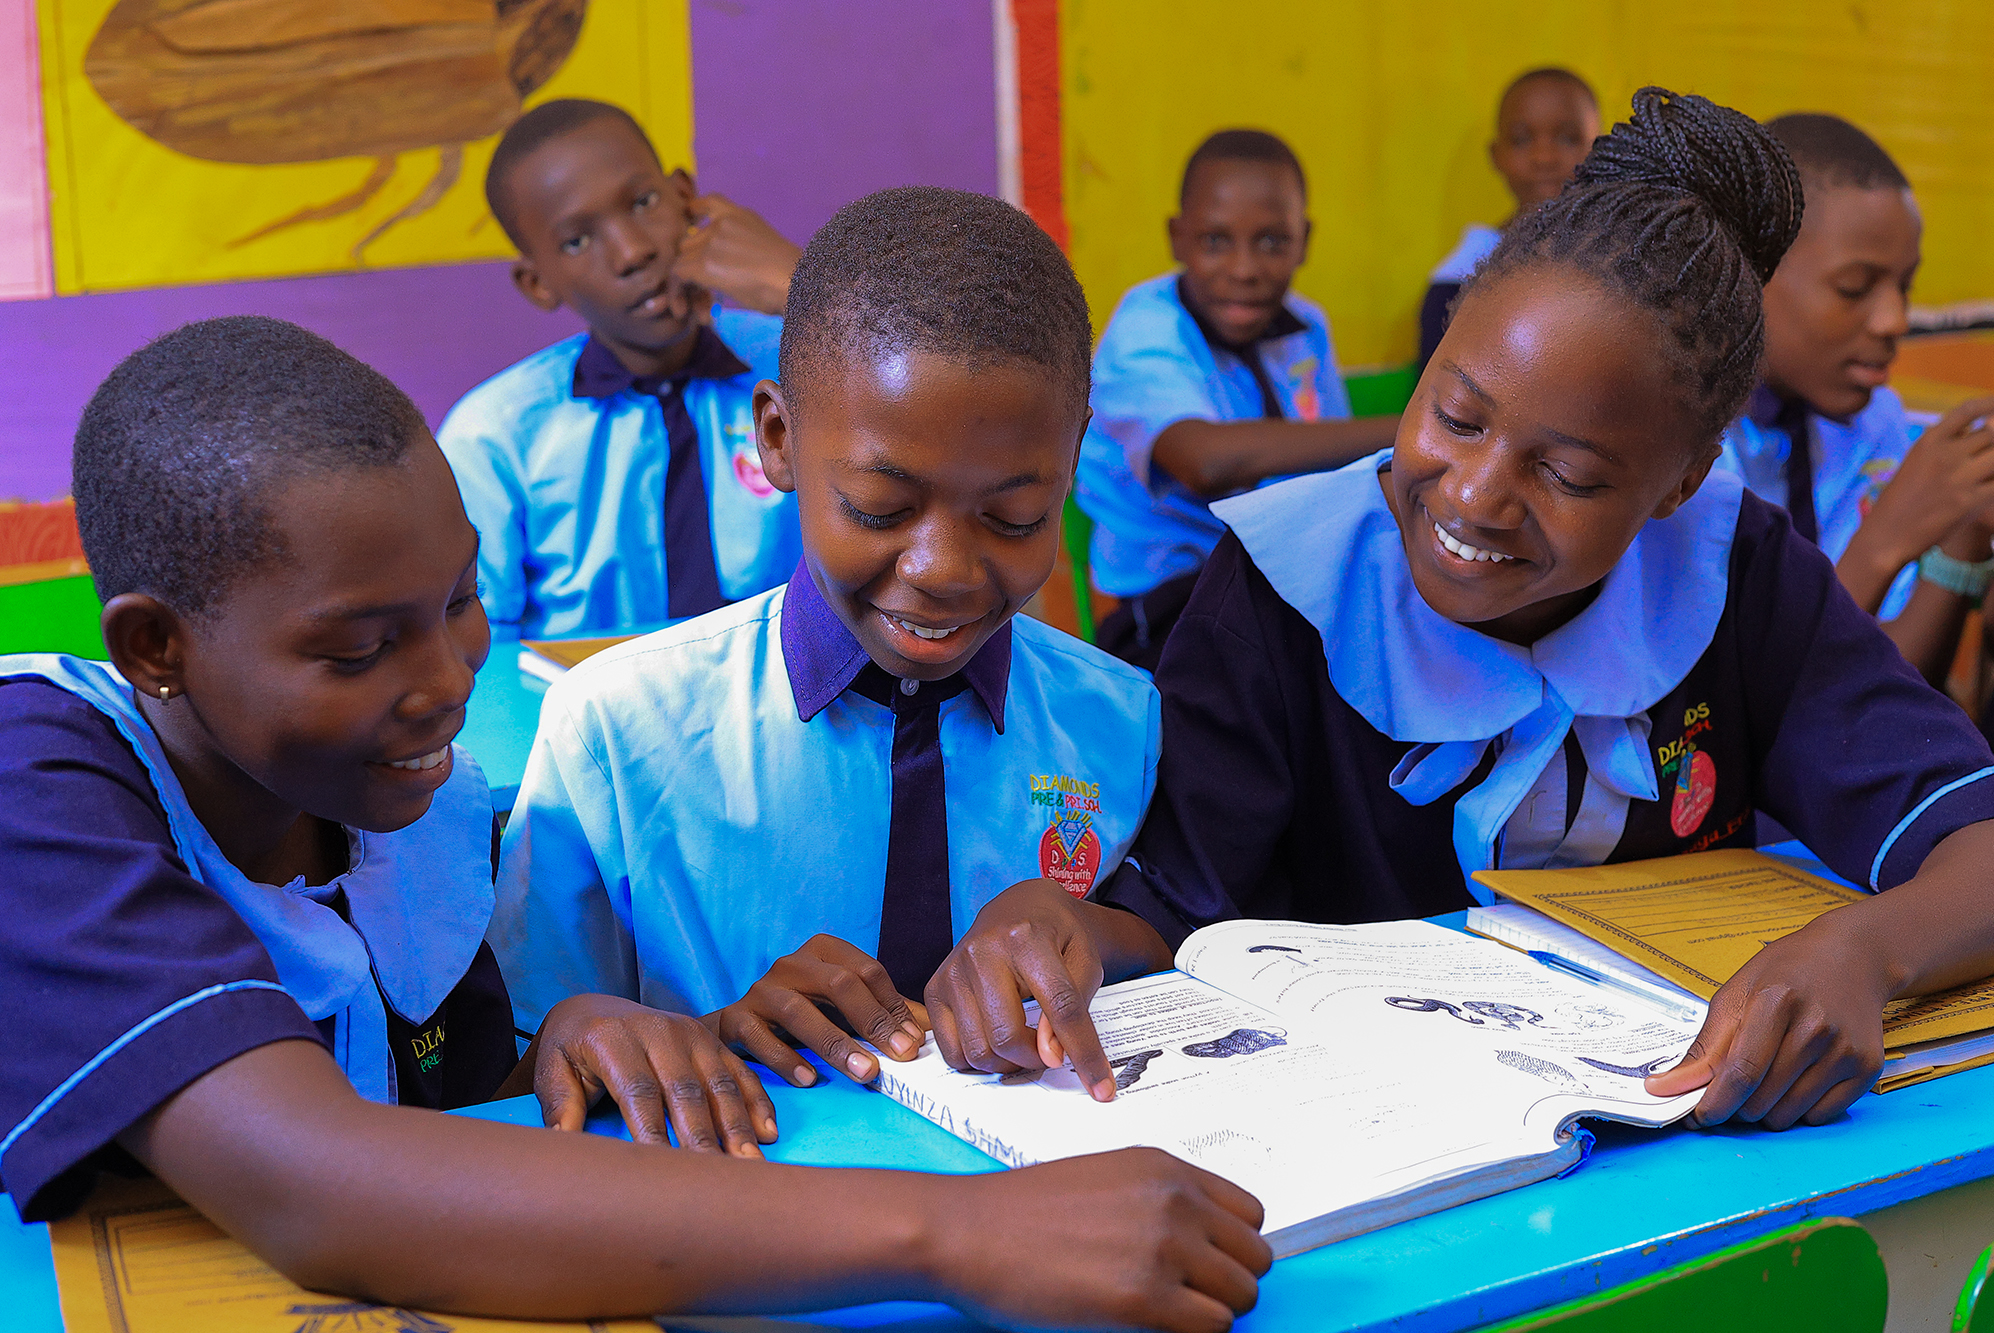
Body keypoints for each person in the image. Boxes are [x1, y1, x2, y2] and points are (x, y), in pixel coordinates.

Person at [0, 316, 1269, 1331]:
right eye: (359, 647)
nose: (447, 682)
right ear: (157, 647)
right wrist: (963, 1234)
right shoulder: (37, 786)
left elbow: (455, 1113)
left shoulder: (403, 808)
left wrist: (615, 1038)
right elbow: (319, 1182)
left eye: (459, 600)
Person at [925, 90, 1994, 1138]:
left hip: (1685, 1146)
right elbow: (1167, 911)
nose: (1476, 493)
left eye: (1568, 474)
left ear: (1676, 484)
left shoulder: (1731, 563)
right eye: (1454, 413)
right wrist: (1049, 919)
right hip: (1383, 1165)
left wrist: (1864, 952)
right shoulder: (1282, 586)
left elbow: (1974, 844)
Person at [492, 185, 1170, 1105]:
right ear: (776, 438)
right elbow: (521, 1064)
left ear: (1072, 460)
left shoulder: (1116, 717)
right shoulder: (617, 730)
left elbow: (1166, 967)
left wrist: (1087, 932)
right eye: (880, 509)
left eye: (1013, 516)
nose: (943, 569)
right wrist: (710, 1035)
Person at [439, 99, 805, 639]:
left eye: (643, 202)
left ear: (685, 199)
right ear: (538, 282)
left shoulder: (810, 358)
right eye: (577, 240)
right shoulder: (495, 436)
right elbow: (478, 654)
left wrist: (800, 284)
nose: (632, 252)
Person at [1074, 129, 1399, 670]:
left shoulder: (1304, 327)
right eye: (1216, 241)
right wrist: (1414, 427)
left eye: (1272, 241)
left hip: (1280, 581)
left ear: (1305, 239)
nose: (1245, 269)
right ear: (1178, 239)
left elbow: (1334, 470)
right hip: (1167, 603)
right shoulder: (1147, 327)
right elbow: (1206, 460)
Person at [1719, 112, 1994, 686]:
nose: (1895, 319)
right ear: (1748, 270)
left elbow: (1879, 695)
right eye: (1855, 286)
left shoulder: (1876, 424)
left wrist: (1964, 534)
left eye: (1905, 285)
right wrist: (1884, 542)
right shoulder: (1676, 453)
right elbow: (1745, 711)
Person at [1418, 68, 1600, 367]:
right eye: (1521, 140)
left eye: (1568, 139)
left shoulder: (1625, 260)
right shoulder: (1457, 281)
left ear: (1601, 149)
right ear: (1495, 155)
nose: (1544, 157)